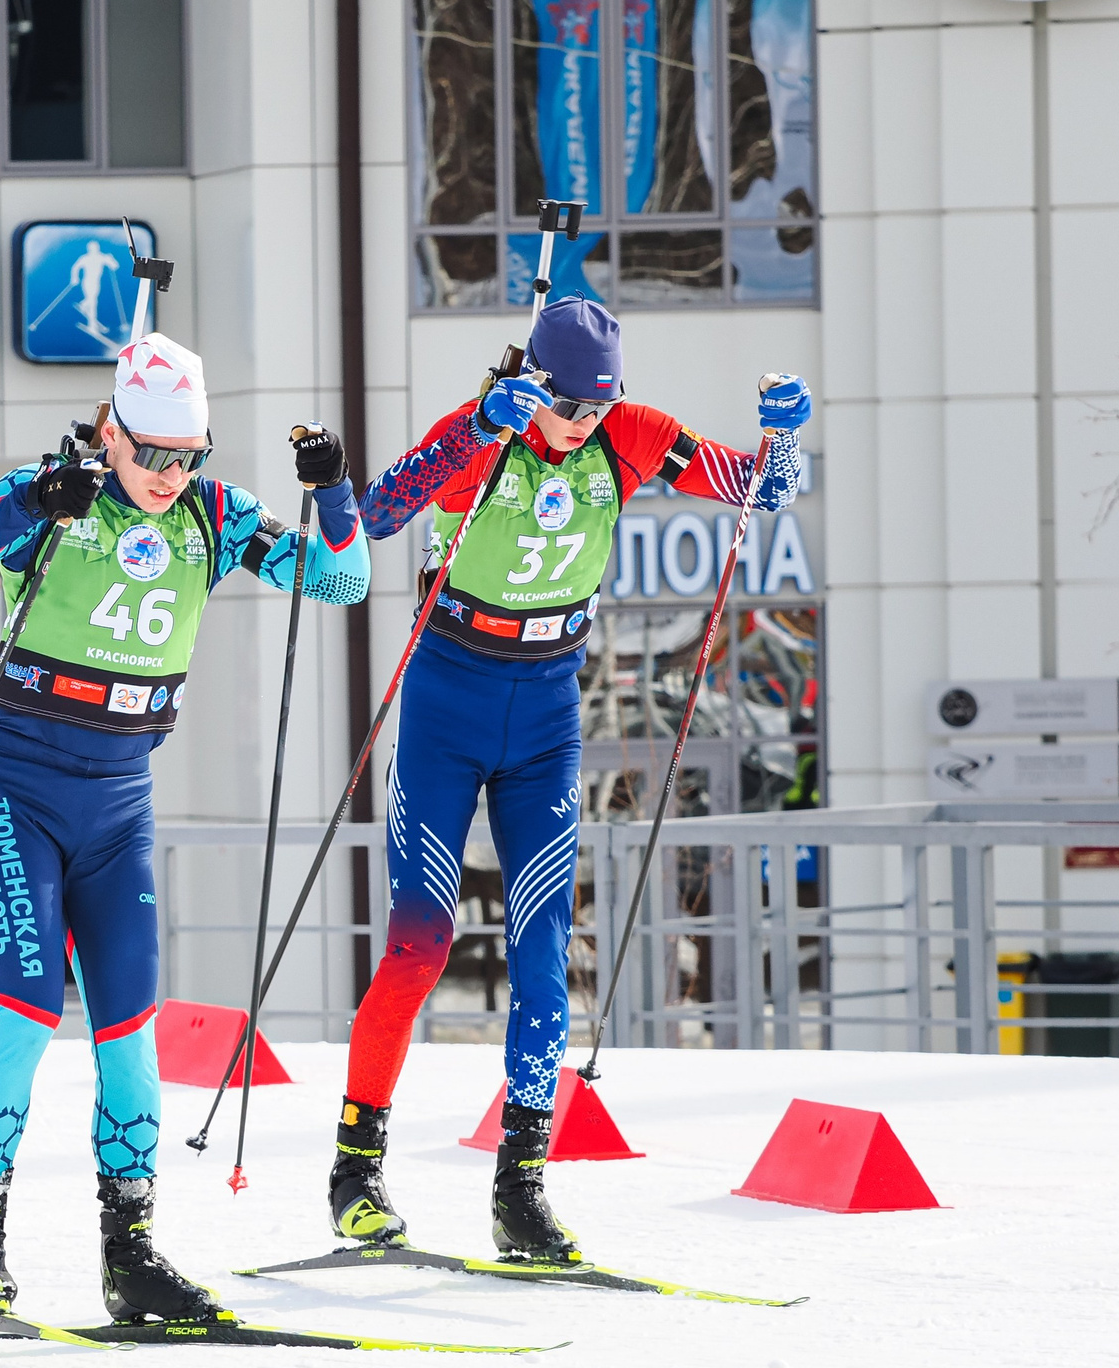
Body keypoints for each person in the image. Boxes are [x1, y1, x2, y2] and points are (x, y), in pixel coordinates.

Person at [326, 299, 808, 1264]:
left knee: (544, 945)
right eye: (568, 405)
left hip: (546, 708)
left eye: (600, 405)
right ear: (534, 383)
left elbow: (759, 494)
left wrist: (784, 441)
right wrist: (477, 429)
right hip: (447, 698)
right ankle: (356, 1164)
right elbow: (374, 514)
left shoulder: (626, 433)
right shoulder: (487, 428)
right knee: (422, 937)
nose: (585, 423)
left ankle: (522, 1187)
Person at [0, 332, 370, 1322]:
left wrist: (334, 493)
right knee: (27, 1012)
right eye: (152, 454)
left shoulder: (212, 512)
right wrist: (27, 506)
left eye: (187, 455)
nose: (169, 475)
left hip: (118, 801)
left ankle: (131, 1256)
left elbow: (340, 584)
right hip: (16, 788)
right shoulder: (55, 493)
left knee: (129, 1034)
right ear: (108, 434)